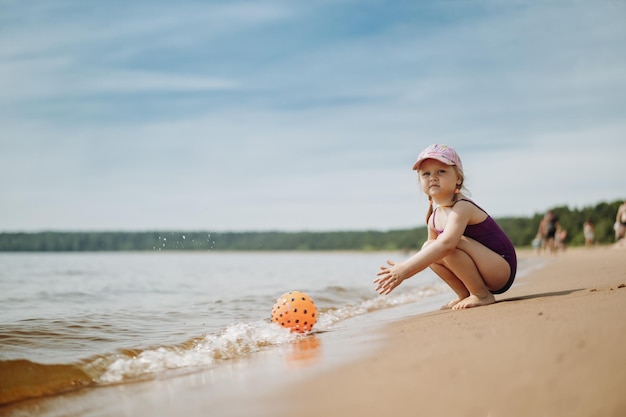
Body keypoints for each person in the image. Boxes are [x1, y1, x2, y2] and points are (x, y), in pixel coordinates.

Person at [373, 144, 517, 310]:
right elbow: (433, 256)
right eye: (426, 174)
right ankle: (465, 294)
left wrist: (405, 270)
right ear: (420, 182)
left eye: (441, 171)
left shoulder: (462, 206)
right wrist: (403, 271)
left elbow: (447, 244)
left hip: (499, 269)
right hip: (483, 270)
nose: (433, 177)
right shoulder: (433, 218)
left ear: (458, 178)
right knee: (429, 248)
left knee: (442, 244)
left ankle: (481, 294)